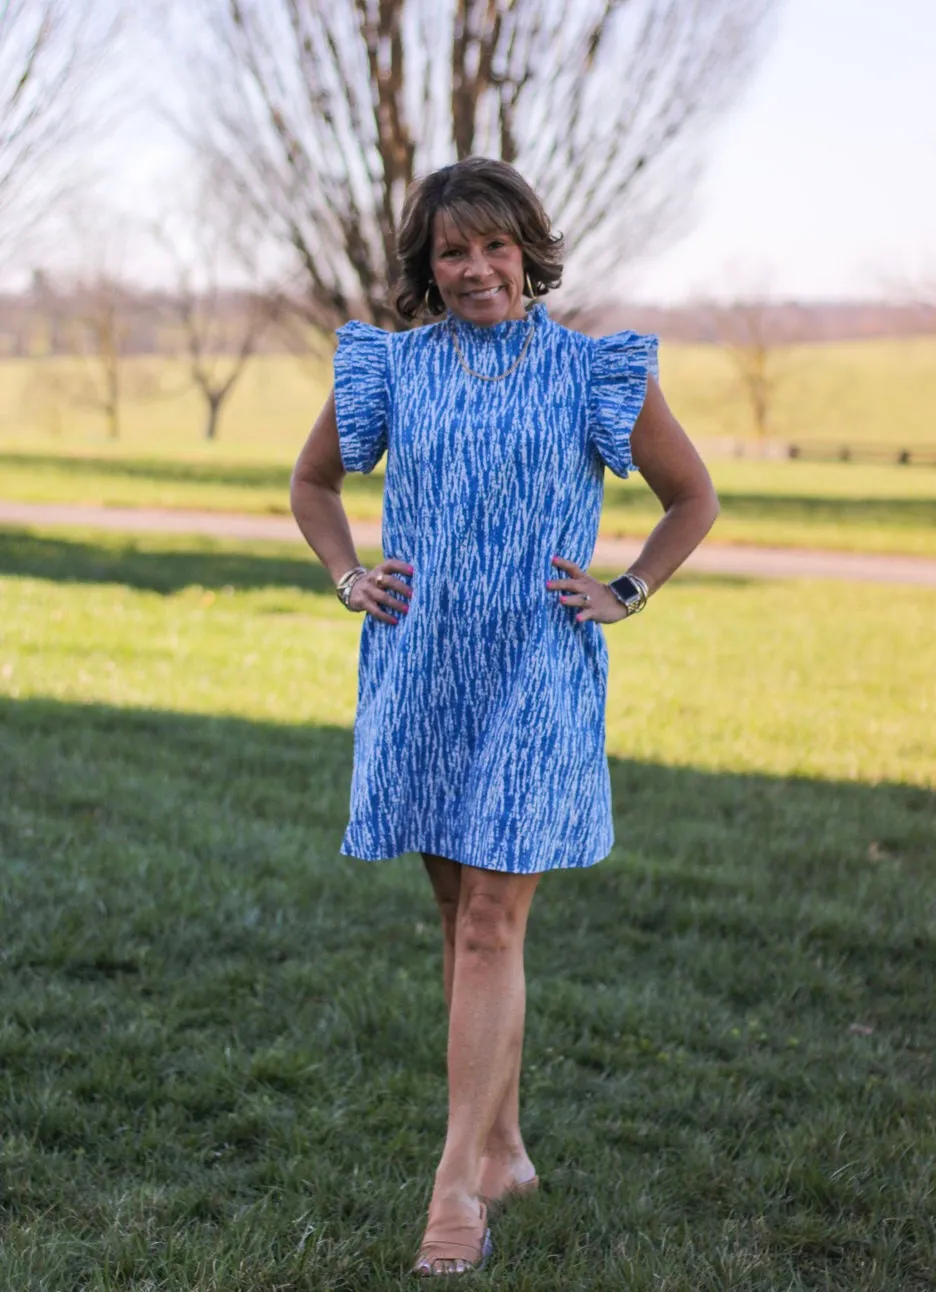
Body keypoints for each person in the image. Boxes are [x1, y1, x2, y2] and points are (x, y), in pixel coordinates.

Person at [290, 156, 719, 1277]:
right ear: (425, 268)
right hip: (422, 669)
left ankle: (454, 1189)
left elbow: (692, 496)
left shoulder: (595, 372)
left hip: (536, 673)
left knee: (489, 919)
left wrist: (623, 590)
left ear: (527, 248)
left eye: (492, 246)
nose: (474, 268)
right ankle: (505, 1146)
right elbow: (312, 484)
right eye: (450, 251)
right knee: (463, 923)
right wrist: (348, 578)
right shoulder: (388, 368)